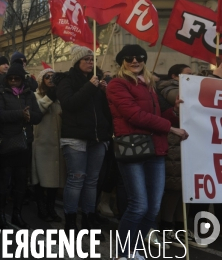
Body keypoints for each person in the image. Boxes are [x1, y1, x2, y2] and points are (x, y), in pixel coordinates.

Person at [107, 45, 189, 260]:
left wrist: (175, 112)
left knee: (153, 208)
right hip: (133, 149)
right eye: (129, 58)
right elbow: (134, 115)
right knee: (139, 205)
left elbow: (159, 115)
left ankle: (133, 249)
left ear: (144, 59)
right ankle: (123, 253)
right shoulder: (117, 84)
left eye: (139, 57)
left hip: (157, 149)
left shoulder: (150, 85)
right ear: (122, 62)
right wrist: (170, 128)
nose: (135, 61)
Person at [55, 45, 111, 233]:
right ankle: (70, 222)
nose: (90, 62)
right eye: (86, 59)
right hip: (75, 138)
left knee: (92, 182)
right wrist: (89, 87)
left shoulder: (98, 81)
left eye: (92, 59)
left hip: (98, 139)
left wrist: (105, 92)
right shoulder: (66, 80)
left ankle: (88, 219)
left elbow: (106, 111)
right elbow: (69, 104)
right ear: (77, 61)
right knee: (76, 179)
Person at [0, 62, 42, 229]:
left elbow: (38, 116)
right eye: (10, 78)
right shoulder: (1, 93)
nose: (13, 81)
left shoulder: (29, 94)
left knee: (21, 180)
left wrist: (29, 117)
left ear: (22, 79)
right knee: (4, 180)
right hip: (7, 141)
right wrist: (20, 115)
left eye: (17, 78)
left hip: (24, 142)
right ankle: (0, 215)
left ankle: (17, 214)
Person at [32, 67, 65, 223]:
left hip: (57, 145)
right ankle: (40, 206)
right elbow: (36, 111)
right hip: (41, 144)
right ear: (41, 80)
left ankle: (51, 208)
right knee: (39, 179)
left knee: (54, 180)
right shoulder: (36, 96)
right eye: (47, 77)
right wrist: (49, 97)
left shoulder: (61, 97)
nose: (51, 79)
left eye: (54, 76)